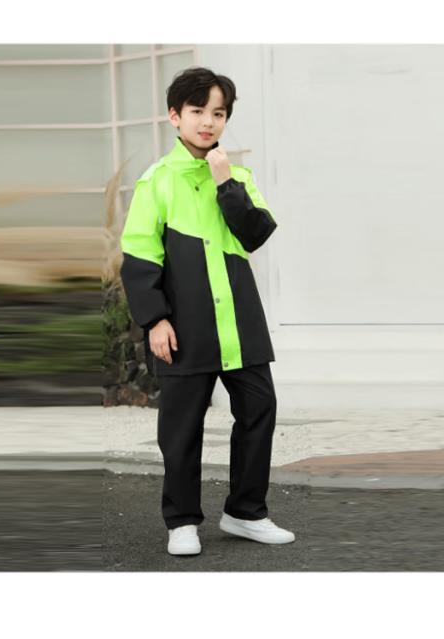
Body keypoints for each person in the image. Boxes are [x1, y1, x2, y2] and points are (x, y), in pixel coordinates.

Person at [119, 66, 295, 555]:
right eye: (197, 111)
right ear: (175, 116)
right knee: (182, 426)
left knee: (259, 409)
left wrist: (225, 182)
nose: (208, 122)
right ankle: (181, 522)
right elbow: (139, 254)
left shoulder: (238, 178)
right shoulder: (157, 181)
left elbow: (255, 234)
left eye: (218, 113)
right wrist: (155, 319)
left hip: (239, 321)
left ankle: (245, 512)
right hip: (185, 324)